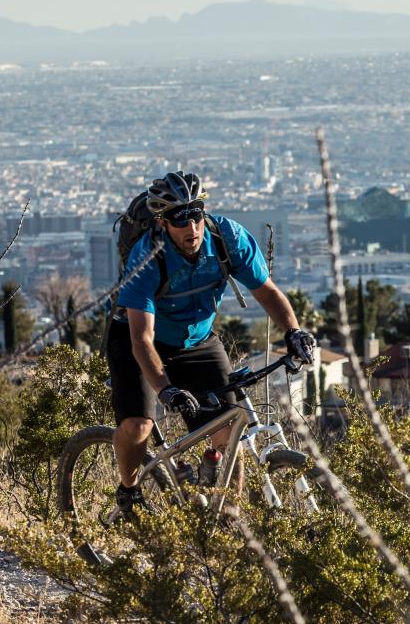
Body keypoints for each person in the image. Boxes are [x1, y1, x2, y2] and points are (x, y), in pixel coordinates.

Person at [107, 171, 316, 518]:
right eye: (178, 218)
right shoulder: (147, 257)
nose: (190, 226)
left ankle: (227, 522)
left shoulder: (227, 238)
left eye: (196, 213)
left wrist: (293, 332)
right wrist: (165, 389)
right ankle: (128, 491)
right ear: (162, 221)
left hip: (197, 339)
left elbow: (266, 291)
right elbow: (141, 338)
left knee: (229, 432)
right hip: (139, 338)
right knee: (138, 425)